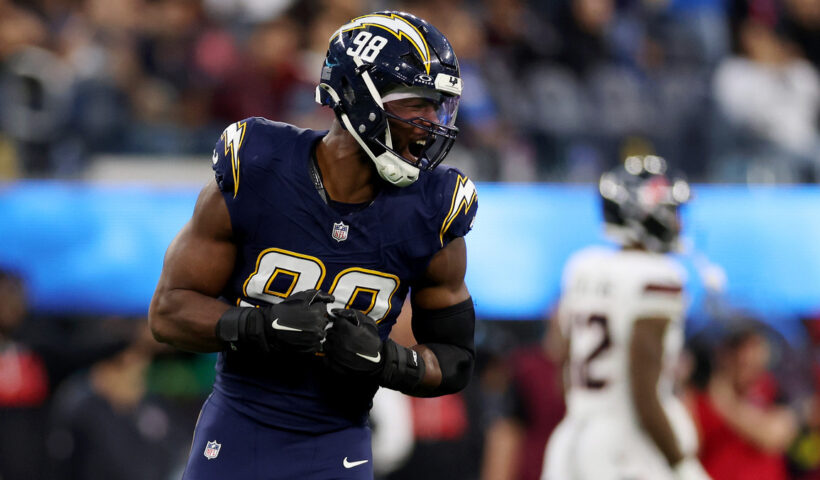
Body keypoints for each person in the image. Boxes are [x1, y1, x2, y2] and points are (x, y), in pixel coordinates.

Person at [148, 10, 478, 480]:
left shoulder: (434, 206)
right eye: (416, 105)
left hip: (336, 441)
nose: (432, 123)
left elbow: (455, 359)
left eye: (439, 107)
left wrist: (389, 362)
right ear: (359, 98)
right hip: (239, 427)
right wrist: (260, 327)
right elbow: (169, 312)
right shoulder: (258, 168)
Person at [541, 155, 710, 480]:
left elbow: (561, 359)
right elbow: (643, 392)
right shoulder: (658, 276)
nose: (679, 222)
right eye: (673, 211)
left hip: (573, 437)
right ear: (647, 212)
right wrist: (681, 465)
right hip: (627, 448)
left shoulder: (583, 267)